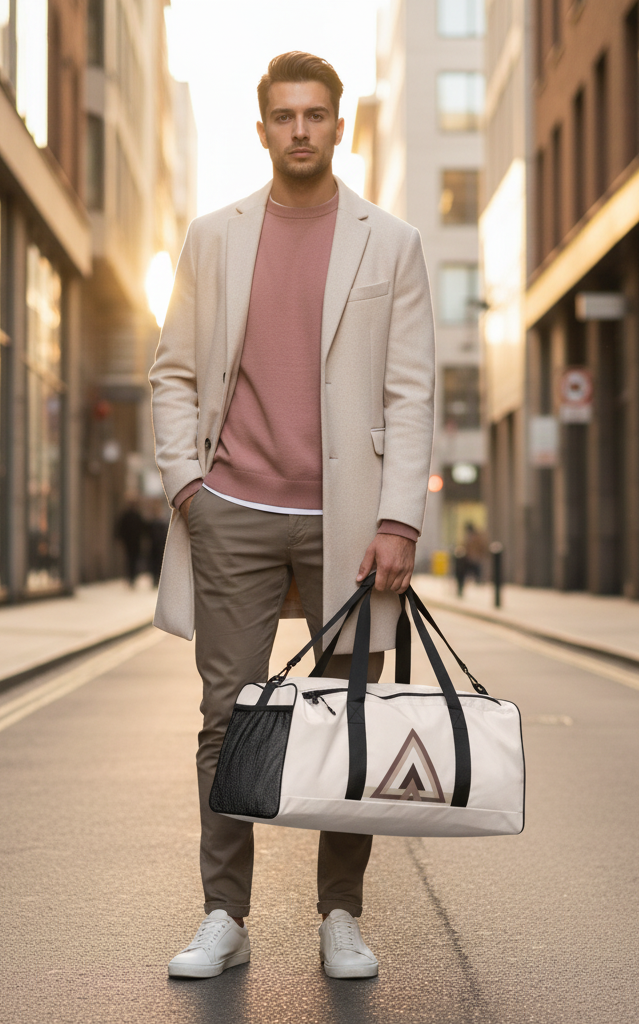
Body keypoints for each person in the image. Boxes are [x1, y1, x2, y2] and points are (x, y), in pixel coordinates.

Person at [149, 52, 435, 981]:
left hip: (350, 527)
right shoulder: (213, 237)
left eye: (317, 114)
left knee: (353, 716)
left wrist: (400, 521)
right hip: (230, 508)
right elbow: (175, 373)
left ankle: (340, 914)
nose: (301, 129)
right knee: (227, 716)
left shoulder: (388, 242)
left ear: (339, 127)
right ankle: (223, 916)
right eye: (285, 115)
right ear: (263, 127)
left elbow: (411, 391)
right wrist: (188, 484)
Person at [114, 502, 145, 585]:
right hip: (130, 542)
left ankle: (132, 577)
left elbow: (142, 529)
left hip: (133, 542)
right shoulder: (130, 516)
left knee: (132, 560)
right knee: (130, 560)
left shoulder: (135, 516)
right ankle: (131, 577)